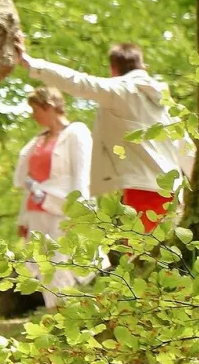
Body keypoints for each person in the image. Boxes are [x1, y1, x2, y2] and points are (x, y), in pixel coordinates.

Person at [22, 41, 188, 232]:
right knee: (164, 251)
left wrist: (32, 64)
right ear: (142, 65)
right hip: (174, 190)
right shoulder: (166, 102)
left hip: (143, 188)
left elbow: (78, 82)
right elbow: (186, 148)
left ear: (113, 68)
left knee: (143, 253)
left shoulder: (120, 90)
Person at [12, 87, 93, 307]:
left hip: (63, 207)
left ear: (49, 106)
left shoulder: (76, 133)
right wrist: (23, 218)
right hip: (36, 209)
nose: (33, 115)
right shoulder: (38, 140)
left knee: (61, 261)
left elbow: (81, 175)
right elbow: (29, 181)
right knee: (43, 264)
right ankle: (54, 313)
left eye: (35, 109)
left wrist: (81, 211)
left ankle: (69, 314)